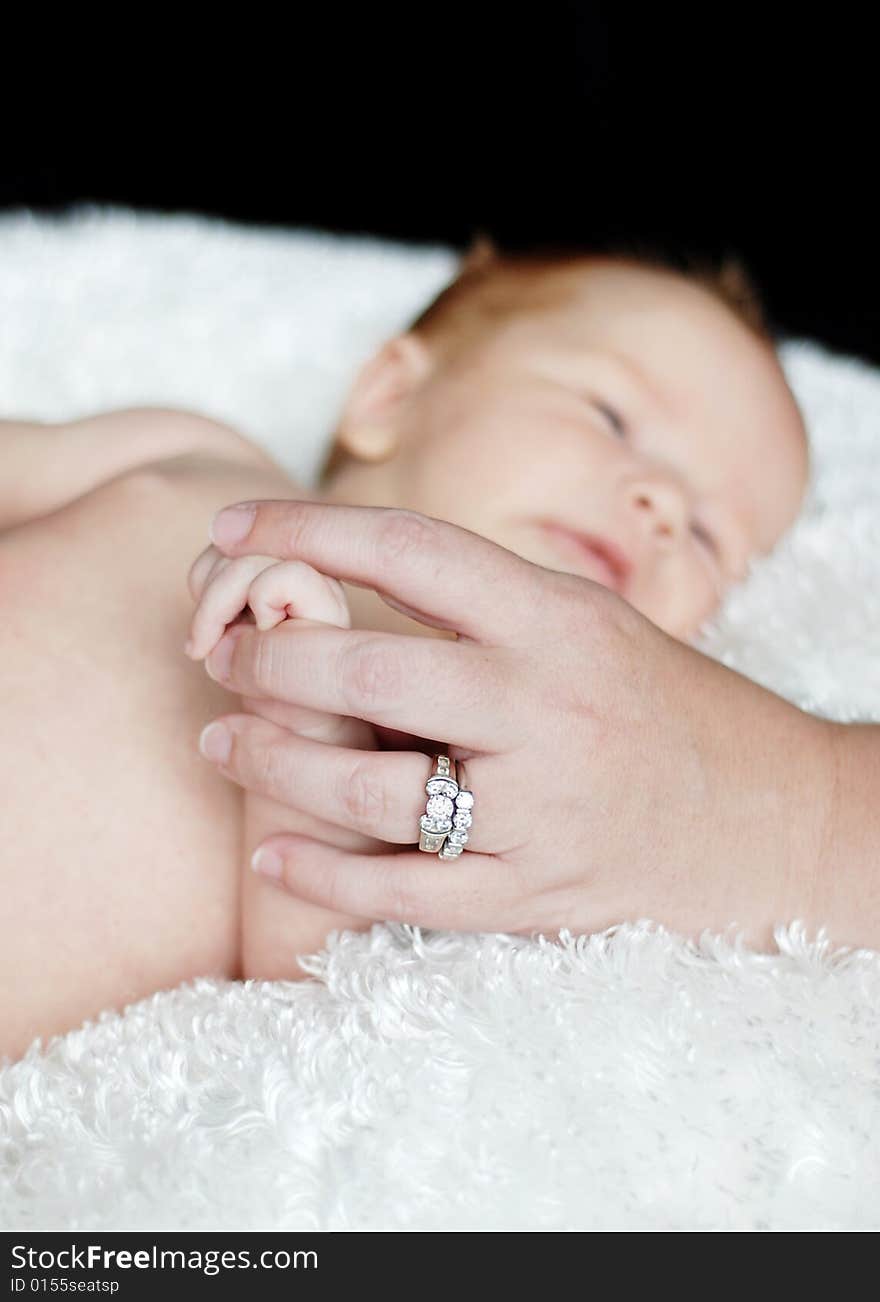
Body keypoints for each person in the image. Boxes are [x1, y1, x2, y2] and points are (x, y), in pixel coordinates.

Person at [0, 237, 862, 1067]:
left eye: (710, 537)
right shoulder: (190, 458)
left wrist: (308, 715)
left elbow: (306, 982)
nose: (663, 504)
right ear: (389, 399)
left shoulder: (464, 782)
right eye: (613, 419)